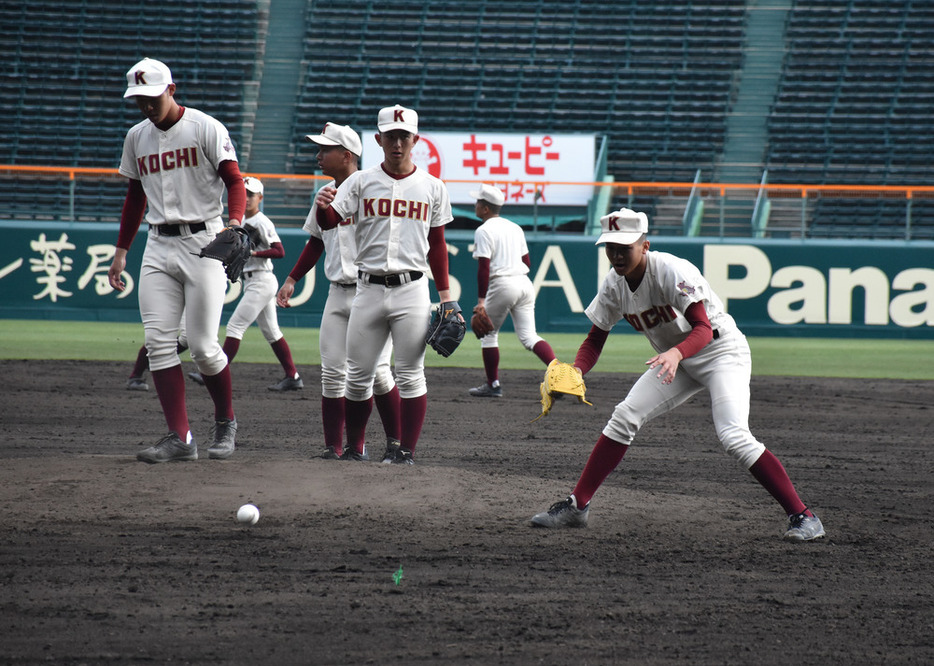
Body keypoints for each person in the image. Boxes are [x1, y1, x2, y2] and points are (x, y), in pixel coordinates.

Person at [530, 208, 825, 542]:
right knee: (625, 416)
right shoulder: (614, 284)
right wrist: (575, 371)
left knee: (733, 436)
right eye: (610, 246)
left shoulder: (671, 270)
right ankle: (577, 506)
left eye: (624, 247)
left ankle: (804, 516)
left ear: (645, 245)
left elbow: (703, 327)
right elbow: (595, 339)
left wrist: (675, 352)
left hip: (720, 353)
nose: (616, 254)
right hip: (676, 360)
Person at [107, 57, 244, 463]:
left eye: (152, 96)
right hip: (157, 244)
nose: (146, 106)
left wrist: (234, 223)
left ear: (171, 89)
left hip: (205, 240)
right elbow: (135, 197)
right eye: (139, 99)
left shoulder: (205, 127)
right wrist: (121, 252)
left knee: (202, 346)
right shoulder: (136, 136)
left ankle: (225, 421)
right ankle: (180, 438)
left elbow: (235, 180)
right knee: (158, 342)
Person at [313, 105, 458, 465]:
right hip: (368, 288)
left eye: (403, 136)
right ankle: (353, 447)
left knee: (410, 374)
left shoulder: (432, 187)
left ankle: (404, 451)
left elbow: (437, 245)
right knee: (359, 375)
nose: (397, 143)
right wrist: (321, 206)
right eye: (390, 136)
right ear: (378, 139)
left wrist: (446, 299)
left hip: (411, 289)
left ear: (415, 140)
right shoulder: (360, 182)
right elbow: (330, 222)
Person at [277, 122, 401, 461]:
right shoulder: (326, 193)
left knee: (376, 373)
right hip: (336, 293)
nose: (318, 155)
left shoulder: (374, 189)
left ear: (347, 155)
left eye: (324, 150)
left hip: (370, 291)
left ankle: (396, 444)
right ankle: (337, 447)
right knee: (332, 374)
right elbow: (317, 240)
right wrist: (292, 278)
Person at [188, 176, 303, 391]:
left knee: (235, 326)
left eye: (251, 194)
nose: (247, 198)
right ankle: (293, 377)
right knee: (272, 332)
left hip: (262, 280)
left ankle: (212, 373)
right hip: (252, 281)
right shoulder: (237, 221)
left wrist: (253, 252)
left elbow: (280, 251)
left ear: (260, 197)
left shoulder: (262, 222)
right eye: (244, 193)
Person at [467, 184, 556, 397]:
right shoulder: (515, 228)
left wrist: (481, 300)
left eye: (478, 202)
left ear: (486, 209)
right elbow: (527, 261)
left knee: (488, 335)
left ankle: (493, 385)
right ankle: (560, 376)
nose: (475, 205)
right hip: (524, 283)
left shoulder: (484, 230)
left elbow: (484, 267)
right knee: (529, 336)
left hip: (502, 283)